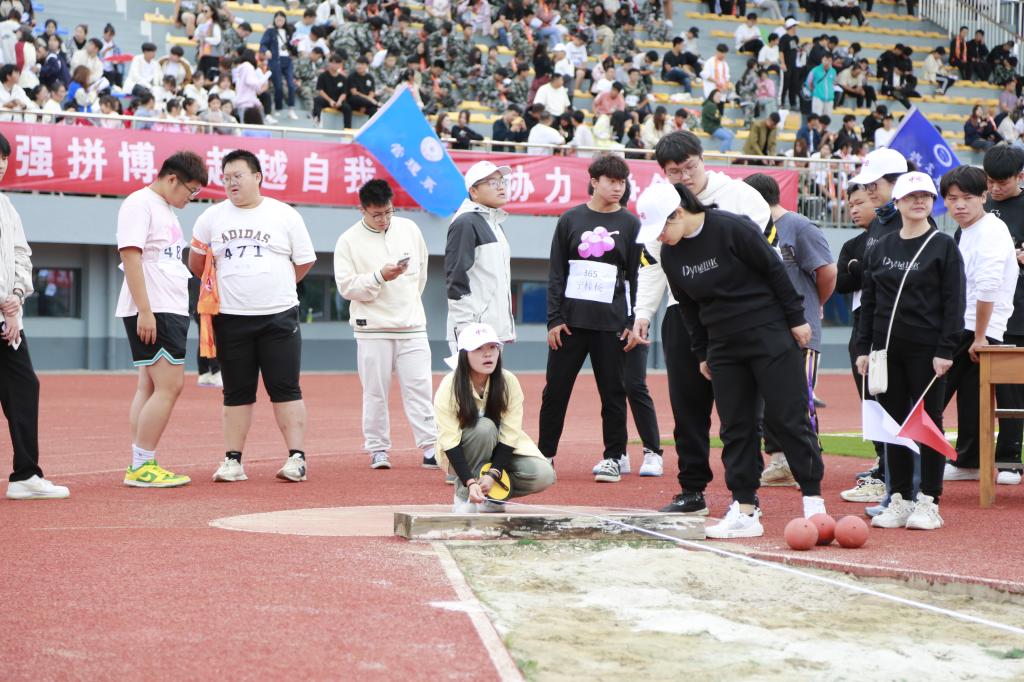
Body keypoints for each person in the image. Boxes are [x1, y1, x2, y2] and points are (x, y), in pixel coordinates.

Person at [635, 182, 826, 537]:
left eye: (661, 227)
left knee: (789, 417)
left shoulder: (732, 228)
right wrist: (703, 353)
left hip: (768, 333)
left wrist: (797, 319)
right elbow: (688, 309)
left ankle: (813, 501)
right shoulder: (671, 255)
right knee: (736, 427)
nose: (659, 236)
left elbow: (775, 271)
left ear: (679, 213)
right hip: (722, 345)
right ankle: (745, 508)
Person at [629, 131, 773, 515]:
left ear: (702, 158)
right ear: (664, 173)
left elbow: (769, 258)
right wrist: (642, 313)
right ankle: (692, 491)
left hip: (735, 316)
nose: (684, 177)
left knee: (740, 411)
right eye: (674, 172)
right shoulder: (662, 204)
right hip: (682, 316)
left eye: (689, 167)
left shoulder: (741, 197)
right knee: (688, 409)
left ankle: (745, 497)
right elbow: (651, 265)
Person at [187, 150, 317, 483]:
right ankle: (233, 461)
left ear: (257, 176)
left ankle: (296, 459)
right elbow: (197, 263)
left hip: (278, 317)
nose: (231, 183)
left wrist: (279, 285)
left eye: (238, 176)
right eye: (226, 178)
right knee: (236, 391)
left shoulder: (284, 214)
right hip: (230, 318)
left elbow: (304, 261)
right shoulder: (211, 217)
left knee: (285, 387)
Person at [854, 172, 965, 530]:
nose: (919, 202)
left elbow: (954, 302)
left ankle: (929, 500)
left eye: (926, 196)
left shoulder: (942, 245)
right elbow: (870, 302)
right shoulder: (882, 247)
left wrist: (946, 349)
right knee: (893, 425)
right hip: (886, 353)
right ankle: (900, 498)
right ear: (897, 202)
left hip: (927, 352)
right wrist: (864, 348)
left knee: (928, 423)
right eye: (911, 196)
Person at [538, 155, 641, 482]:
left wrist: (632, 322)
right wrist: (554, 319)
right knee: (555, 392)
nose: (617, 188)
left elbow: (635, 277)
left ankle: (613, 457)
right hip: (569, 324)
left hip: (612, 325)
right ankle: (544, 456)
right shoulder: (570, 219)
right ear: (594, 181)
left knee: (613, 393)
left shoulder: (631, 224)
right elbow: (557, 273)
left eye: (622, 182)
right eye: (611, 181)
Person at [117, 151, 208, 488]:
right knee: (170, 386)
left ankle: (140, 461)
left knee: (150, 385)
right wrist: (144, 310)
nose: (191, 198)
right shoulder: (139, 204)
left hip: (168, 306)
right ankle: (142, 465)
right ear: (172, 179)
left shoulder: (164, 208)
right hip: (155, 308)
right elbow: (130, 256)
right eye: (191, 190)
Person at [334, 179, 438, 471]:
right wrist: (379, 277)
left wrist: (408, 302)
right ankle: (378, 448)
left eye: (388, 212)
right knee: (375, 392)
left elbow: (421, 274)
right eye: (376, 214)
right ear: (362, 210)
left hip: (412, 325)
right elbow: (346, 287)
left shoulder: (410, 229)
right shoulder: (348, 241)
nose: (384, 219)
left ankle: (431, 447)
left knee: (420, 388)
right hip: (372, 329)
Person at [744, 173, 837, 486]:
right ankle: (781, 461)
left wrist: (813, 305)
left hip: (801, 330)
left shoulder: (799, 226)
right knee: (769, 400)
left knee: (799, 398)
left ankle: (807, 462)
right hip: (763, 328)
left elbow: (827, 272)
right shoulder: (751, 230)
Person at [936, 165, 1018, 484]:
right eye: (952, 198)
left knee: (929, 395)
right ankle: (969, 461)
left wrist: (981, 336)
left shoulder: (990, 230)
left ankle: (909, 467)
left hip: (974, 327)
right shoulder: (968, 231)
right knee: (971, 398)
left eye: (967, 198)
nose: (959, 205)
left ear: (983, 197)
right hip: (970, 325)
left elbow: (988, 285)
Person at [0, 134, 70, 500]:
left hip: (8, 321)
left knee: (24, 387)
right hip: (4, 314)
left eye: (4, 159)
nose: (0, 165)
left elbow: (21, 255)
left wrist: (14, 297)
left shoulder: (6, 206)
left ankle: (25, 475)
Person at [435, 323, 556, 513]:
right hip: (462, 453)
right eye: (478, 348)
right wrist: (469, 481)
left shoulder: (508, 381)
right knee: (485, 428)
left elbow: (510, 434)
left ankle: (493, 496)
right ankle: (465, 496)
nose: (488, 354)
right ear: (464, 354)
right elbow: (450, 441)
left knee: (544, 474)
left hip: (501, 450)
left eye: (493, 347)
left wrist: (493, 475)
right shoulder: (450, 385)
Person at [834, 183, 888, 503]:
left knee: (885, 396)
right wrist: (859, 268)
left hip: (885, 324)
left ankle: (891, 469)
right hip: (860, 325)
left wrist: (859, 267)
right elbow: (841, 281)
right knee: (868, 396)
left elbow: (871, 274)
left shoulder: (891, 234)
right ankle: (883, 461)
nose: (853, 210)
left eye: (859, 203)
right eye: (850, 205)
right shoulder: (852, 243)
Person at [982, 146, 1024, 484]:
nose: (995, 188)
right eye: (990, 181)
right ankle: (1008, 460)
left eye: (1003, 182)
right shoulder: (981, 207)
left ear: (1020, 176)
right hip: (998, 317)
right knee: (1007, 392)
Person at [445, 161, 515, 350]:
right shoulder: (466, 222)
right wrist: (465, 328)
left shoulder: (493, 223)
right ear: (474, 191)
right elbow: (456, 276)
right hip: (473, 331)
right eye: (493, 182)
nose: (501, 187)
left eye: (502, 181)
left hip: (492, 331)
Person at [260, 11, 298, 121]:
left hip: (287, 60)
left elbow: (292, 45)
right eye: (278, 19)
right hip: (276, 60)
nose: (280, 21)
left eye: (282, 19)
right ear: (274, 20)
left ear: (285, 20)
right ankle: (278, 108)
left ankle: (291, 108)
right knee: (278, 86)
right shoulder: (270, 31)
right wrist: (266, 51)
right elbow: (263, 44)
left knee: (291, 85)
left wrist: (295, 47)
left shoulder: (289, 31)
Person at [701, 89, 734, 153]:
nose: (719, 98)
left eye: (720, 96)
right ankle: (722, 153)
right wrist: (724, 121)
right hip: (711, 127)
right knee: (728, 137)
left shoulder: (712, 104)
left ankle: (728, 150)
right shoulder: (710, 105)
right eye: (717, 96)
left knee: (731, 134)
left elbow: (717, 116)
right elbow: (716, 118)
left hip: (715, 126)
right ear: (712, 96)